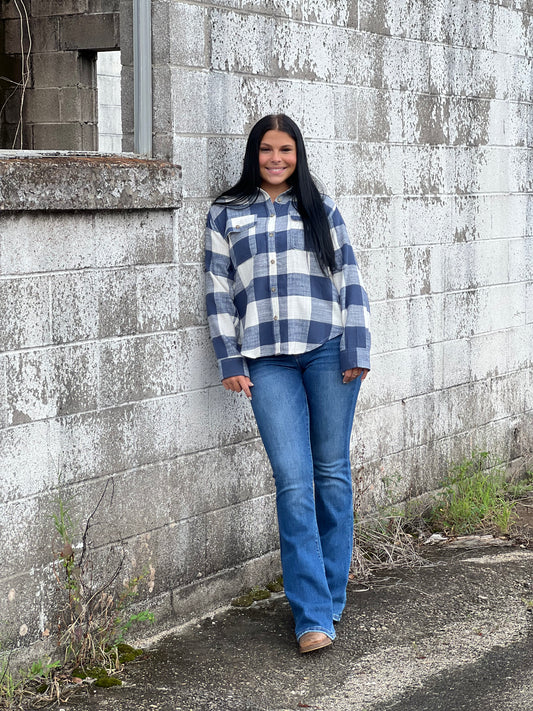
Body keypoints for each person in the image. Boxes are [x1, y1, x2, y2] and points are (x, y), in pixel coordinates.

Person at [205, 114, 370, 654]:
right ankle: (312, 616)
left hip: (328, 353)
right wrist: (230, 360)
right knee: (294, 483)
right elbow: (217, 293)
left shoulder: (320, 209)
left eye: (287, 150)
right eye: (267, 150)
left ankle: (329, 599)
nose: (276, 159)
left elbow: (349, 281)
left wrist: (356, 350)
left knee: (332, 474)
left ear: (298, 155)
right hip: (266, 362)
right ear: (254, 154)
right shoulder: (226, 214)